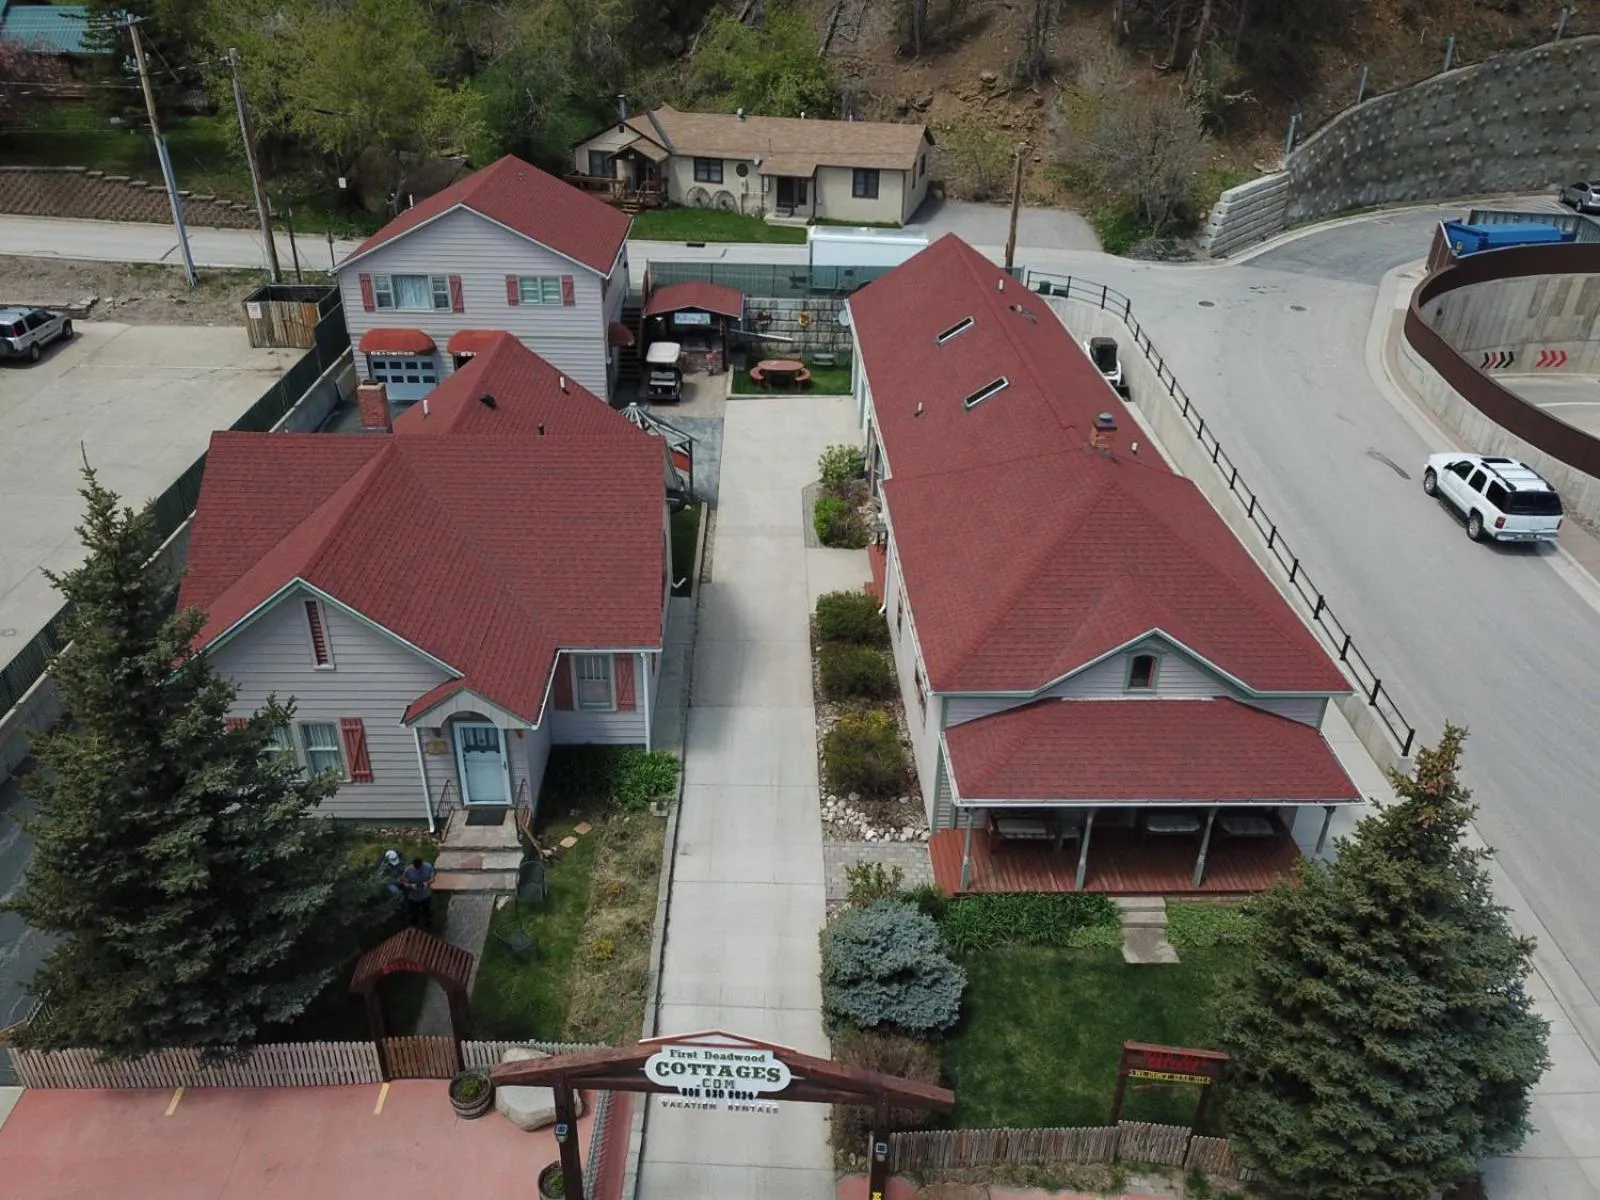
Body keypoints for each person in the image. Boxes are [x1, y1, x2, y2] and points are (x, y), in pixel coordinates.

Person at [401, 856, 437, 929]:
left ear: (422, 864)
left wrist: (427, 883)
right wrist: (410, 886)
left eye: (419, 867)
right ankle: (414, 927)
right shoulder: (408, 870)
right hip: (413, 897)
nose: (418, 869)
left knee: (427, 911)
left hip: (426, 895)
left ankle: (428, 924)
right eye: (416, 867)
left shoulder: (428, 867)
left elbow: (432, 878)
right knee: (414, 914)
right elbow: (404, 883)